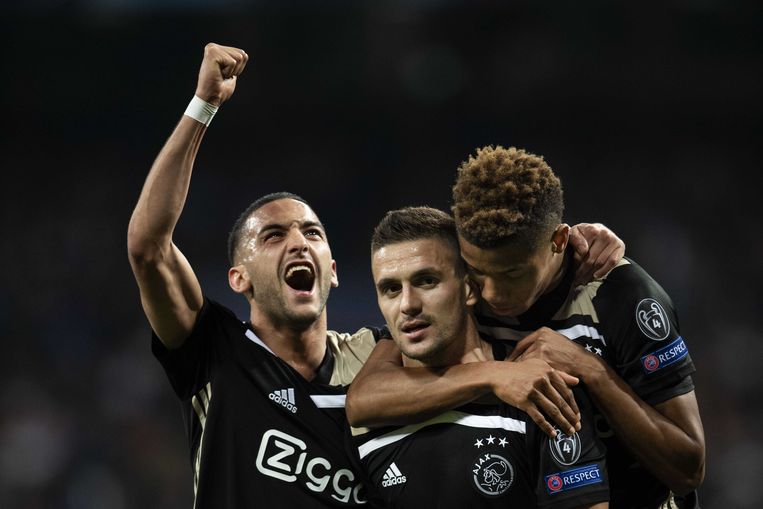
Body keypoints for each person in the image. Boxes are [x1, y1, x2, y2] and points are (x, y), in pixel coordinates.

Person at [127, 44, 620, 507]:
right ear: (239, 279)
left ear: (333, 271)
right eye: (274, 236)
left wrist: (568, 247)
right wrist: (203, 106)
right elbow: (149, 248)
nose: (299, 242)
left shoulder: (377, 354)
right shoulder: (215, 353)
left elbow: (484, 288)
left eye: (312, 233)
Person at [346, 146, 705, 509]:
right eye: (478, 271)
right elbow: (364, 401)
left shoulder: (623, 296)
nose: (491, 293)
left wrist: (592, 370)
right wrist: (495, 375)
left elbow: (688, 469)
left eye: (512, 273)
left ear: (559, 241)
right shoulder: (460, 288)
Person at [350, 206, 609, 508]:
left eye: (427, 281)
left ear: (469, 290)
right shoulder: (367, 425)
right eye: (391, 289)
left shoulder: (540, 391)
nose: (407, 304)